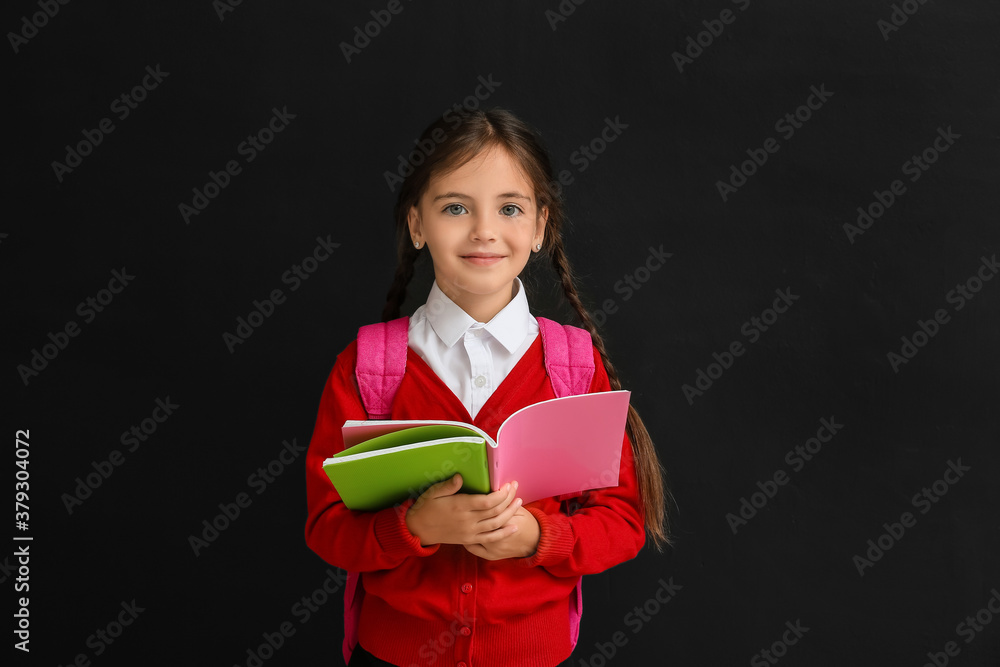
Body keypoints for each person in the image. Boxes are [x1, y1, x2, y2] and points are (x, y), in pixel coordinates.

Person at [305, 107, 670, 667]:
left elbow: (621, 523)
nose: (484, 230)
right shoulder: (368, 366)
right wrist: (413, 526)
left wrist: (535, 537)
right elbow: (327, 527)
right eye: (455, 207)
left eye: (509, 208)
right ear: (417, 225)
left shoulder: (573, 366)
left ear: (540, 226)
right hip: (394, 653)